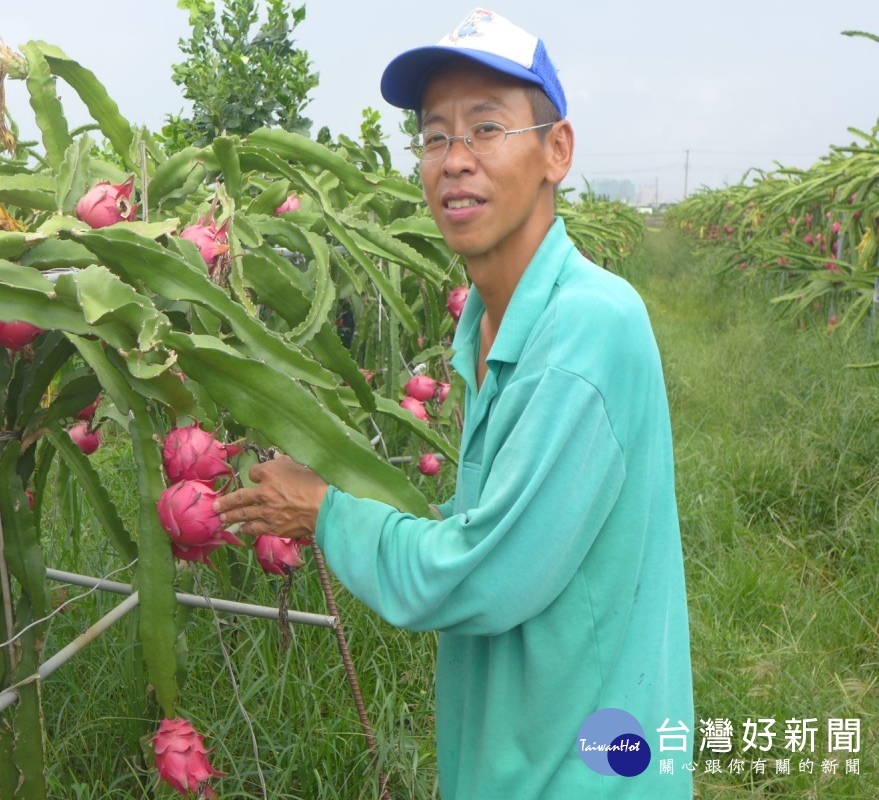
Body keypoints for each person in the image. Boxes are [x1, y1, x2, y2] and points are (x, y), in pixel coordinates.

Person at [214, 8, 695, 799]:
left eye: (487, 128)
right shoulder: (491, 321)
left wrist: (328, 512)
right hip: (518, 750)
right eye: (435, 137)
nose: (455, 161)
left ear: (557, 150)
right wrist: (341, 494)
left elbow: (488, 574)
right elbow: (496, 525)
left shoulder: (586, 329)